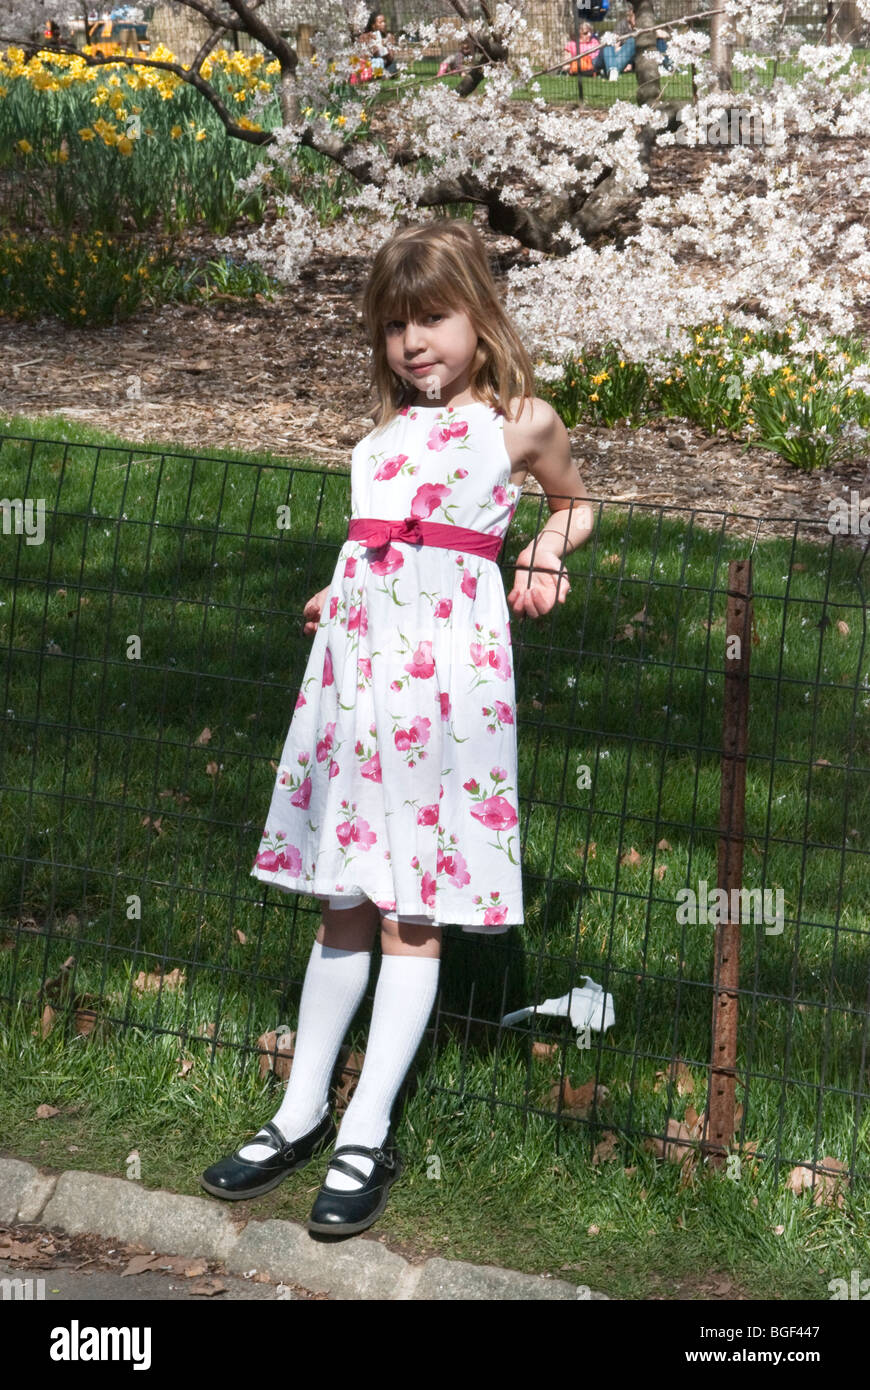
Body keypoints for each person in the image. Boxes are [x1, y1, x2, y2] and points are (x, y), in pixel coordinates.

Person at [199, 220, 591, 1237]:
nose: (413, 342)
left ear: (479, 318)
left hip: (449, 696)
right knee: (344, 899)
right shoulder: (375, 444)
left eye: (432, 318)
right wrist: (337, 592)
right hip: (360, 690)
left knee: (413, 912)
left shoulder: (518, 424)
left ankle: (367, 1128)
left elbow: (574, 504)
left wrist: (546, 550)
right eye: (393, 325)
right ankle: (298, 1112)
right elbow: (369, 547)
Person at [599, 4, 672, 81]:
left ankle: (663, 65)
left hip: (640, 54)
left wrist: (655, 33)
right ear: (630, 16)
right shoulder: (622, 24)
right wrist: (622, 51)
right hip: (623, 55)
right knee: (610, 44)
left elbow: (664, 34)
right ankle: (613, 70)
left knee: (656, 39)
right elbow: (615, 44)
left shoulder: (645, 25)